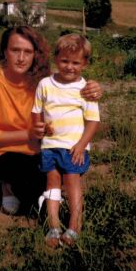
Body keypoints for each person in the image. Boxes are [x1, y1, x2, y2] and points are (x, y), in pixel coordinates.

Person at [0, 26, 102, 216]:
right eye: (15, 50)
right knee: (35, 189)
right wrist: (28, 134)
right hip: (3, 153)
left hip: (41, 148)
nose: (21, 57)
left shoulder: (43, 81)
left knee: (69, 165)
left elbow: (73, 84)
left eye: (28, 51)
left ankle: (43, 194)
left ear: (35, 55)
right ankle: (8, 186)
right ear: (4, 52)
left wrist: (95, 88)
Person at [32, 33, 100, 247]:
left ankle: (74, 225)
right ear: (56, 59)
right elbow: (36, 111)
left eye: (76, 62)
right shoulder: (45, 84)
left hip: (73, 148)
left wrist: (81, 146)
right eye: (64, 61)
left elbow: (93, 122)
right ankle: (53, 227)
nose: (70, 67)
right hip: (50, 146)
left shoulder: (86, 90)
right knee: (52, 183)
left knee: (72, 183)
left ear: (85, 64)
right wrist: (40, 125)